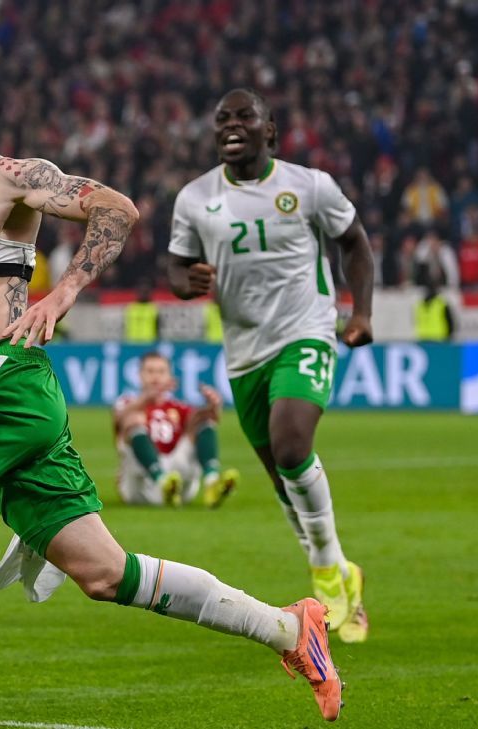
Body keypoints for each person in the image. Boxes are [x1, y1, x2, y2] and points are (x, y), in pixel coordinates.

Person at [0, 54, 342, 727]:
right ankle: (290, 629)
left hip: (7, 378)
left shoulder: (5, 179)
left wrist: (62, 292)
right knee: (105, 572)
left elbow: (115, 207)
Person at [167, 88, 375, 646]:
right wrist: (184, 282)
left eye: (245, 116)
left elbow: (355, 244)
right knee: (284, 479)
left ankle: (326, 570)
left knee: (291, 446)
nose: (231, 125)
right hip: (243, 352)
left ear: (270, 130)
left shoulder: (310, 186)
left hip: (306, 330)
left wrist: (361, 312)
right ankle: (343, 575)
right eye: (222, 118)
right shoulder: (195, 197)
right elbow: (177, 265)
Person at [112, 351, 240, 507]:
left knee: (203, 421)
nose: (155, 377)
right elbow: (119, 419)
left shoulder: (177, 407)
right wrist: (145, 400)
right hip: (140, 486)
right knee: (134, 420)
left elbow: (213, 420)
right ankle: (161, 481)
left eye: (161, 372)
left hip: (177, 482)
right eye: (150, 371)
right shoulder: (128, 402)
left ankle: (212, 482)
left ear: (169, 376)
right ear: (139, 375)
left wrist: (214, 406)